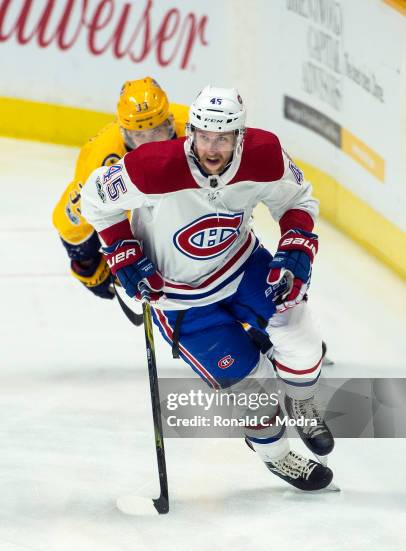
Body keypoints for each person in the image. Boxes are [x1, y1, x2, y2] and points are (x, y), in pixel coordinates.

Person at [80, 86, 335, 491]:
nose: (211, 148)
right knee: (256, 391)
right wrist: (122, 250)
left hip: (241, 265)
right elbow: (93, 200)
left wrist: (295, 246)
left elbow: (297, 200)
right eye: (203, 136)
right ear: (190, 131)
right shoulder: (151, 168)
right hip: (178, 298)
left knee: (302, 338)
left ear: (240, 135)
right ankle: (276, 455)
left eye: (223, 137)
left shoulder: (264, 155)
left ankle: (302, 401)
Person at [52, 77, 188, 299]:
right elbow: (74, 218)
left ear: (170, 122)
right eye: (140, 135)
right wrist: (87, 263)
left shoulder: (196, 129)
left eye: (156, 131)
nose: (149, 143)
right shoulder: (102, 157)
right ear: (125, 133)